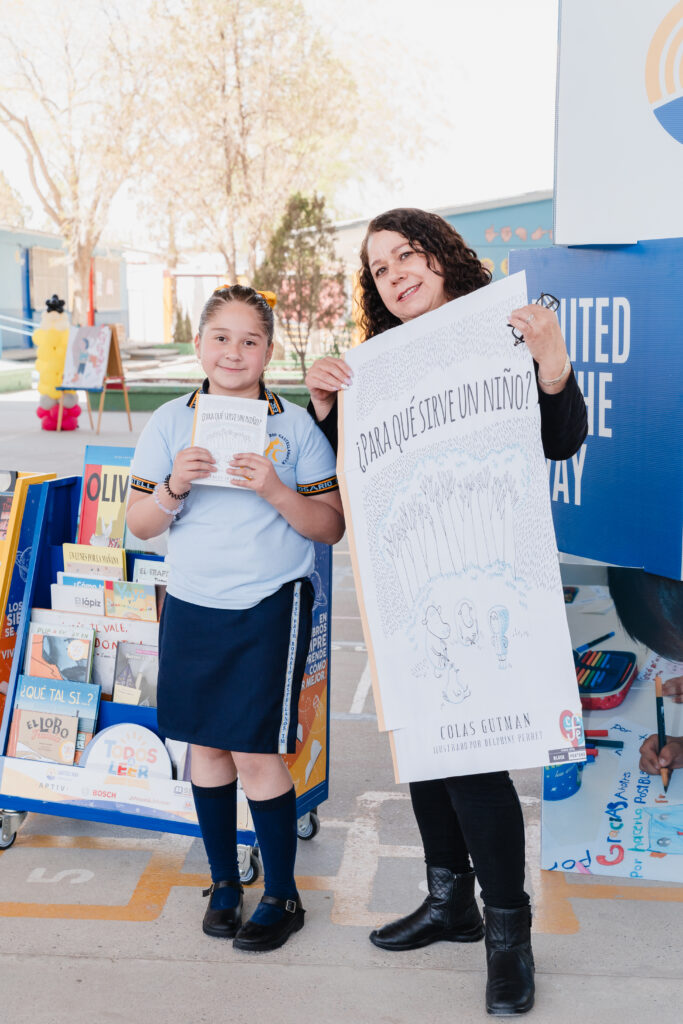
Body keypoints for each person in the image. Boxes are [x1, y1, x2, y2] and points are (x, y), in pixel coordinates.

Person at [305, 208, 588, 1015]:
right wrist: (325, 405)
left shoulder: (501, 331)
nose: (395, 273)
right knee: (424, 747)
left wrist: (551, 365)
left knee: (472, 762)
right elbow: (357, 469)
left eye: (407, 254)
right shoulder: (377, 365)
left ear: (441, 256)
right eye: (379, 267)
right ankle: (449, 902)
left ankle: (507, 938)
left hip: (489, 577)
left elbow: (560, 442)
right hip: (412, 585)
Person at [126, 284, 344, 953]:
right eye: (221, 337)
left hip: (268, 605)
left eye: (250, 340)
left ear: (268, 352)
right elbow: (139, 525)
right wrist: (174, 486)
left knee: (254, 752)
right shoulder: (171, 422)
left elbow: (330, 527)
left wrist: (274, 489)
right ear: (198, 345)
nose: (234, 352)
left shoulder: (294, 427)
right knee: (206, 747)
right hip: (192, 602)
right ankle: (224, 882)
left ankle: (282, 895)